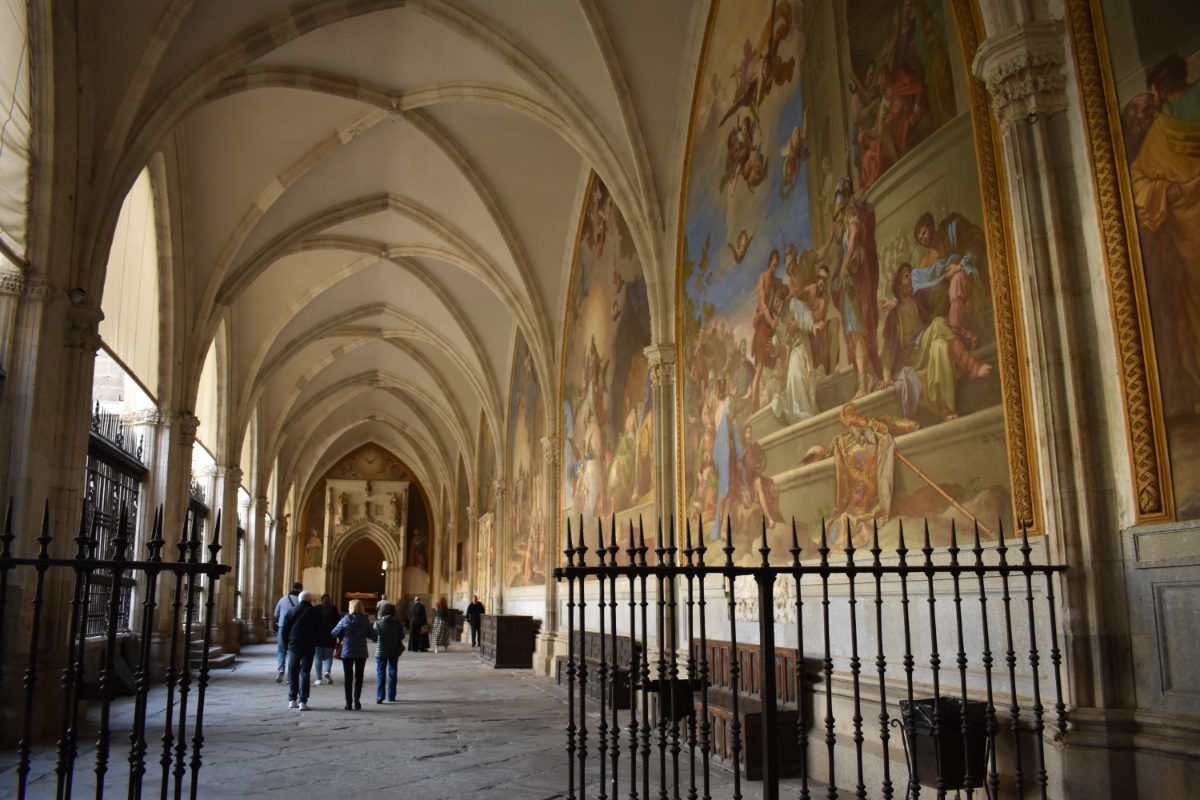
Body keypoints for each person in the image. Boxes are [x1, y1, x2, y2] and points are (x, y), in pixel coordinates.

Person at [331, 599, 377, 710]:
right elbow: (373, 636)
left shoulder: (345, 619)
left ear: (351, 608)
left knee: (348, 677)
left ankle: (348, 703)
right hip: (361, 652)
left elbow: (334, 632)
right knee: (359, 677)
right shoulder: (365, 621)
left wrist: (342, 634)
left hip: (347, 652)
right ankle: (357, 700)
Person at [279, 591, 320, 711]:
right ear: (310, 600)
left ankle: (292, 699)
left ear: (299, 600)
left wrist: (287, 644)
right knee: (305, 672)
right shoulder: (315, 612)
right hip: (309, 645)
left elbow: (284, 630)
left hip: (294, 645)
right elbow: (319, 630)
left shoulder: (291, 611)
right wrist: (315, 641)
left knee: (293, 672)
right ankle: (303, 701)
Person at [373, 602, 405, 703]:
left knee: (380, 672)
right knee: (393, 672)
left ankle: (380, 696)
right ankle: (391, 696)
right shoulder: (397, 622)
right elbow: (402, 636)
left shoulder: (377, 623)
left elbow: (374, 638)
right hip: (394, 650)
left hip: (381, 651)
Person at [272, 582, 302, 683]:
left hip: (282, 627)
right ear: (299, 590)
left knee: (281, 650)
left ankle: (281, 669)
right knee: (293, 652)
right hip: (295, 629)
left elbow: (276, 614)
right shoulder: (299, 601)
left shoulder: (283, 599)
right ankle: (290, 677)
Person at [313, 594, 340, 685]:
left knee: (318, 658)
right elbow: (338, 624)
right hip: (330, 637)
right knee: (328, 657)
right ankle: (327, 671)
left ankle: (318, 679)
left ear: (321, 601)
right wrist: (338, 637)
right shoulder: (334, 609)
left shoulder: (316, 609)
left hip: (317, 638)